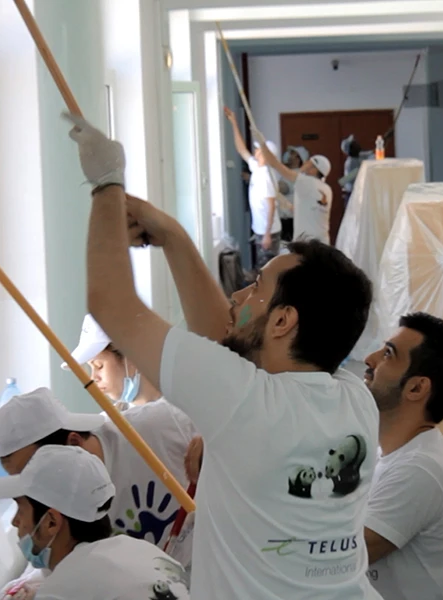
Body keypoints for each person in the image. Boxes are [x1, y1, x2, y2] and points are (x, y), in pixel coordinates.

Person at [63, 111, 380, 600]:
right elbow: (224, 341)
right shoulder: (355, 399)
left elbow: (112, 305)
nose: (237, 299)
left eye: (256, 288)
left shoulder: (247, 401)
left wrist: (105, 183)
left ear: (282, 321)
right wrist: (170, 236)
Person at [0, 387, 196, 572]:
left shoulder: (161, 426)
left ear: (73, 443)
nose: (33, 490)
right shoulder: (56, 508)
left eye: (35, 468)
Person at [362, 312, 443, 600]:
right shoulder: (399, 454)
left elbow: (339, 559)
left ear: (417, 387)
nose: (369, 360)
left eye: (388, 355)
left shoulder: (419, 470)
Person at [0, 445, 190, 600]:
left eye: (20, 509)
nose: (14, 521)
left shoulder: (65, 589)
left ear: (51, 522)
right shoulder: (140, 549)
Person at [223, 106, 281, 267]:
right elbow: (242, 150)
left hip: (269, 232)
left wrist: (268, 234)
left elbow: (271, 207)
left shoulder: (267, 177)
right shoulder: (257, 168)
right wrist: (233, 122)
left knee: (267, 272)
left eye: (259, 150)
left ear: (266, 155)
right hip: (261, 230)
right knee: (263, 271)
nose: (255, 152)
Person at [63, 313, 160, 408]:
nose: (93, 378)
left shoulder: (172, 413)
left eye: (99, 366)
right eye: (90, 367)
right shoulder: (115, 419)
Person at [258, 135, 333, 244]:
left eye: (309, 163)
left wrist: (262, 144)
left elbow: (275, 164)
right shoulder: (327, 189)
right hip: (322, 240)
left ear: (314, 170)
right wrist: (288, 206)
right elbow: (308, 208)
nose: (306, 163)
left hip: (306, 243)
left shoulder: (305, 181)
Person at [277, 145, 309, 242]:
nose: (288, 156)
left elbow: (283, 188)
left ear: (298, 159)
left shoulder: (296, 175)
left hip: (290, 220)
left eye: (292, 155)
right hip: (289, 218)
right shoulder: (291, 174)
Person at [338, 135, 373, 209]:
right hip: (352, 196)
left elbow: (372, 152)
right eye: (354, 144)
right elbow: (346, 181)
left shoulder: (359, 156)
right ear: (351, 149)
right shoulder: (351, 162)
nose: (357, 144)